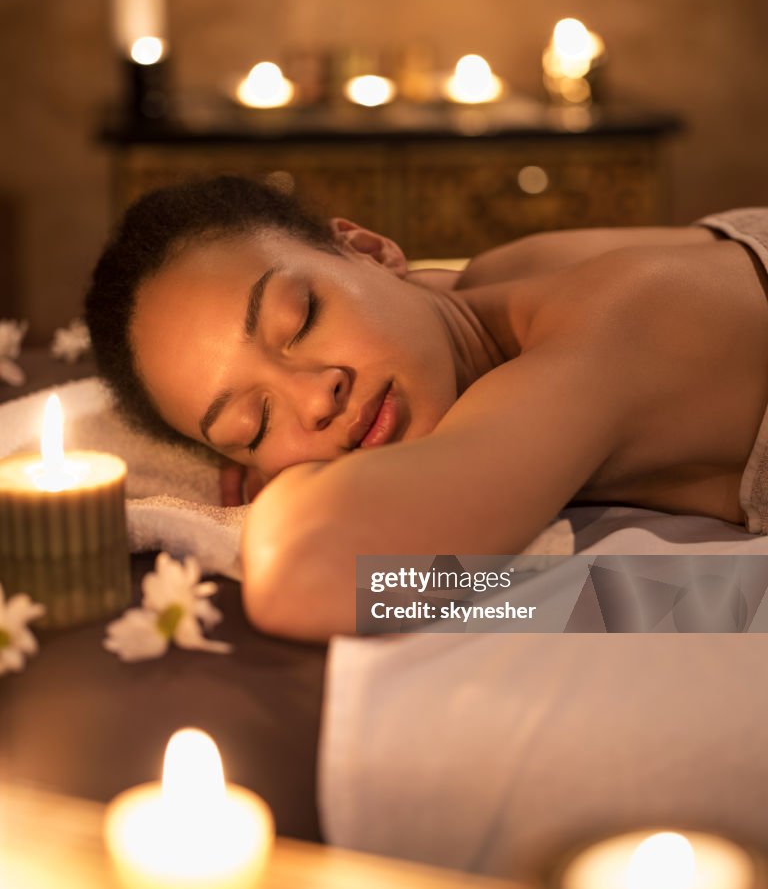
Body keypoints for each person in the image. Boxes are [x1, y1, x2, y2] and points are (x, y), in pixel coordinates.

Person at [85, 176, 768, 640]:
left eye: (303, 319)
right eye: (253, 424)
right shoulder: (494, 282)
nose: (315, 396)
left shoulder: (613, 325)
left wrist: (291, 484)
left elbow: (312, 580)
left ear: (371, 252)